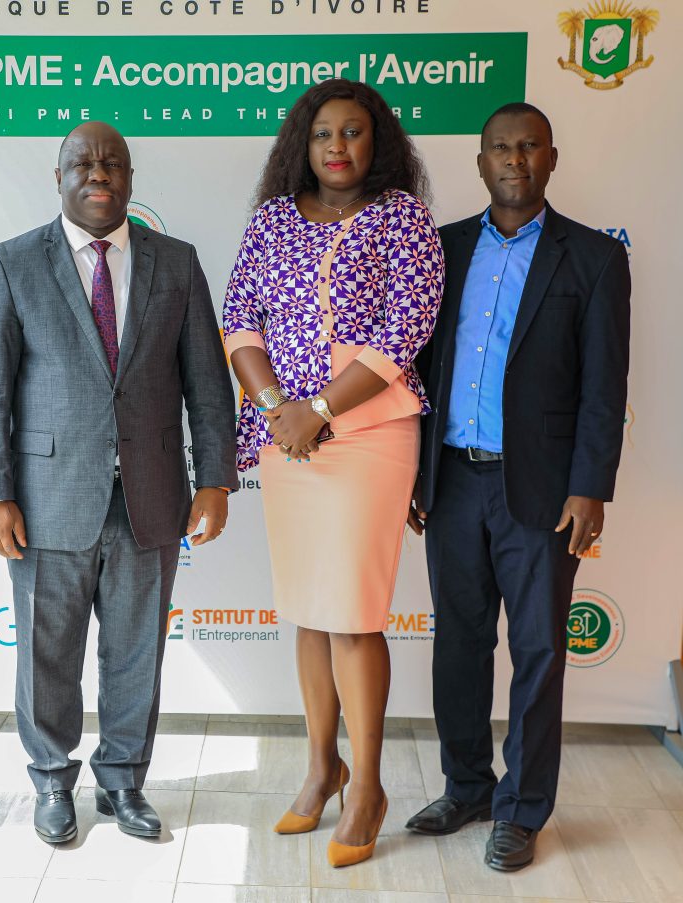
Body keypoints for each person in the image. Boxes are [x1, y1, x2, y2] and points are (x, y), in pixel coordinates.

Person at [0, 121, 238, 845]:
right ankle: (52, 780)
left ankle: (123, 781)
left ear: (130, 179)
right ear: (57, 178)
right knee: (47, 653)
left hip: (152, 495)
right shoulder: (12, 263)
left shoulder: (176, 262)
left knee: (137, 649)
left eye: (112, 163)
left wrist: (215, 479)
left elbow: (208, 383)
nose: (98, 173)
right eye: (82, 163)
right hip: (45, 499)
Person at [223, 79, 443, 868]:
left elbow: (407, 327)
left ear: (375, 142)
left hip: (370, 435)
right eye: (322, 134)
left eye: (353, 132)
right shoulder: (271, 221)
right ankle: (322, 767)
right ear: (303, 146)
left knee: (352, 614)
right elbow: (240, 318)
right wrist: (279, 407)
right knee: (310, 614)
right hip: (288, 438)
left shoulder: (402, 217)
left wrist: (318, 407)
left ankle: (369, 786)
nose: (337, 146)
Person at [405, 102, 630, 871]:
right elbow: (418, 372)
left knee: (537, 648)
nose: (514, 159)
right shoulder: (443, 250)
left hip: (540, 489)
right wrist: (414, 472)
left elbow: (605, 385)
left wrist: (591, 486)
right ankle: (467, 787)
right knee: (459, 643)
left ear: (551, 158)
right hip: (452, 481)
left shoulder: (594, 258)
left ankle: (522, 808)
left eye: (529, 146)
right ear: (480, 162)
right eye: (500, 147)